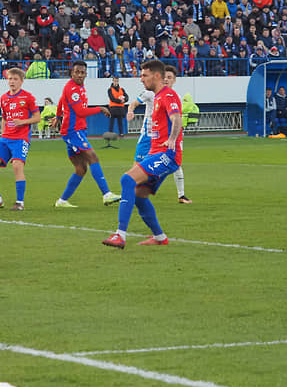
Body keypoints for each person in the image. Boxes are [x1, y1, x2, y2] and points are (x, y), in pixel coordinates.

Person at [103, 60, 183, 248]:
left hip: (167, 154)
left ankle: (120, 235)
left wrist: (172, 139)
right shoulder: (157, 97)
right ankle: (160, 238)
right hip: (156, 153)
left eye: (144, 75)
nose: (141, 79)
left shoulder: (168, 95)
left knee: (127, 180)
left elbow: (176, 119)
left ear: (156, 76)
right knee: (139, 195)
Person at [52, 60, 120, 208]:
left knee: (81, 169)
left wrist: (58, 117)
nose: (80, 75)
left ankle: (62, 201)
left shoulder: (78, 87)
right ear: (72, 73)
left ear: (86, 74)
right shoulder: (72, 89)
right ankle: (106, 194)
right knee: (92, 156)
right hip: (72, 131)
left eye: (82, 73)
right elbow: (80, 112)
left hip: (76, 130)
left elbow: (61, 101)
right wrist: (100, 109)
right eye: (77, 72)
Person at [128, 65, 191, 203]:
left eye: (170, 78)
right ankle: (134, 192)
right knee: (138, 165)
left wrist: (174, 137)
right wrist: (130, 111)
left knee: (175, 163)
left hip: (166, 138)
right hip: (148, 135)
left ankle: (181, 195)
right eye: (166, 77)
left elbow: (176, 118)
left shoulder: (175, 96)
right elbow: (133, 103)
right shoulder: (150, 92)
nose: (167, 80)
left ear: (174, 81)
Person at [0, 68, 41, 211]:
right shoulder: (4, 98)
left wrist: (23, 122)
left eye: (15, 79)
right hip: (6, 138)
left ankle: (19, 202)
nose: (12, 82)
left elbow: (37, 117)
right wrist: (3, 134)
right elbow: (4, 118)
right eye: (10, 79)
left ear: (21, 81)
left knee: (17, 166)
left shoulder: (28, 97)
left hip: (20, 139)